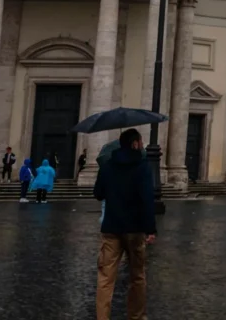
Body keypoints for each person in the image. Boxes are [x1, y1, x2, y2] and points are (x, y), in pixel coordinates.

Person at [94, 128, 156, 320]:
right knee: (137, 276)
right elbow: (147, 198)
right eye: (141, 141)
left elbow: (98, 193)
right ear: (134, 143)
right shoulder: (143, 166)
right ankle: (136, 317)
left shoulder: (107, 165)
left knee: (105, 278)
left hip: (112, 227)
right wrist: (150, 229)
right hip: (135, 228)